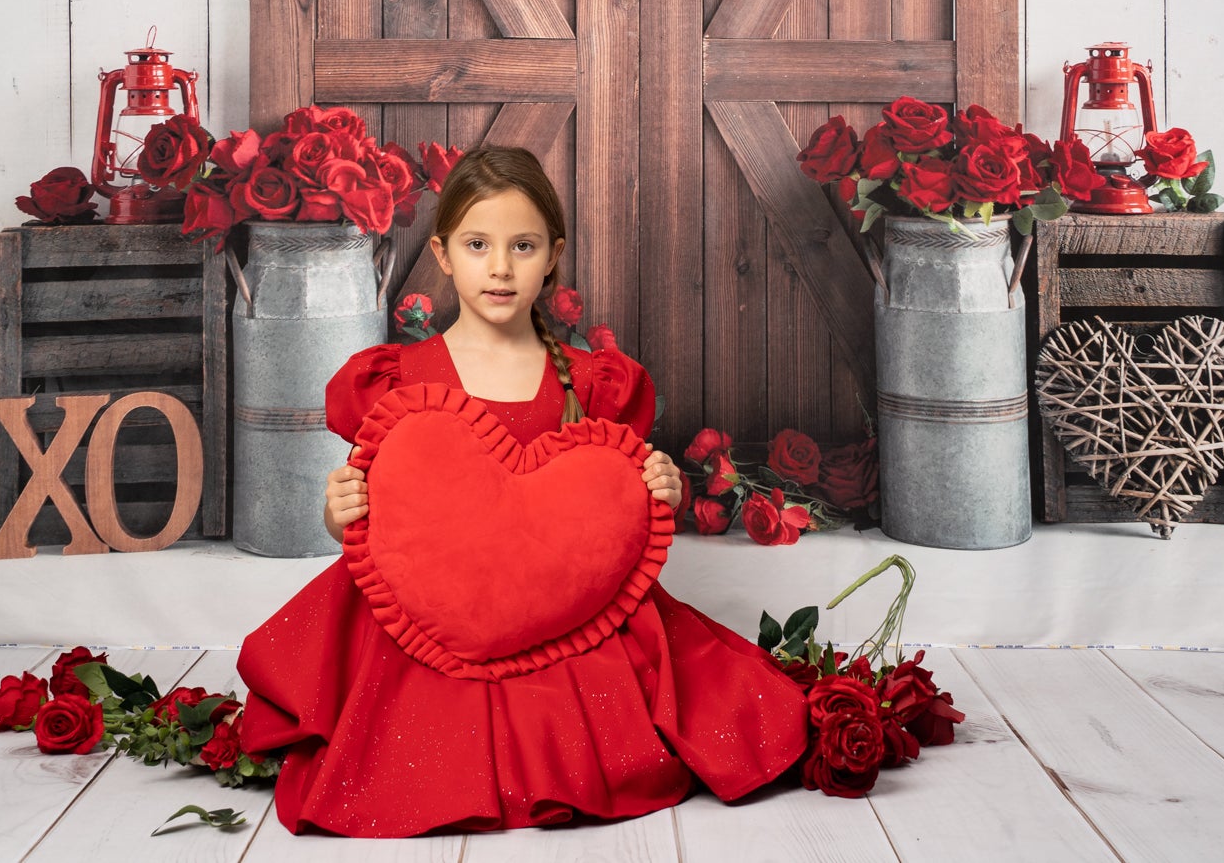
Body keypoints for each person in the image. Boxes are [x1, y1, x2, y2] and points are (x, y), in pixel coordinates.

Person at [232, 144, 811, 837]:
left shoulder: (593, 381)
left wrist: (665, 490)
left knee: (636, 685)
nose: (500, 267)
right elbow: (371, 520)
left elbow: (615, 508)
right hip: (429, 606)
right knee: (395, 711)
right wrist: (338, 514)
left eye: (523, 245)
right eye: (479, 244)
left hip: (560, 607)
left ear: (552, 255)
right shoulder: (396, 378)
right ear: (444, 254)